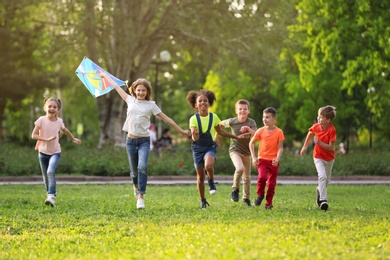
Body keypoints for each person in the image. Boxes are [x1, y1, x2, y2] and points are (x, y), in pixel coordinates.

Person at [99, 72, 190, 209]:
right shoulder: (130, 100)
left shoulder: (151, 105)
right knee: (134, 171)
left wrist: (182, 131)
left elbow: (167, 119)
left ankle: (141, 197)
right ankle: (136, 186)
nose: (141, 92)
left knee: (142, 167)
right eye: (138, 90)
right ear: (134, 90)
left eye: (143, 90)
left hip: (144, 141)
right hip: (130, 141)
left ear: (147, 91)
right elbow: (116, 87)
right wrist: (105, 77)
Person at [186, 89, 245, 209]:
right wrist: (194, 135)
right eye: (200, 101)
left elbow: (220, 131)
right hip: (197, 148)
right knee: (200, 177)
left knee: (208, 165)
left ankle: (211, 181)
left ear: (209, 103)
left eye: (205, 101)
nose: (203, 103)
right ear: (196, 105)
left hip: (210, 146)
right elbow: (194, 136)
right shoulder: (193, 119)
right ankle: (202, 200)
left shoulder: (214, 117)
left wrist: (236, 136)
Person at [31, 98, 82, 207]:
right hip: (42, 153)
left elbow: (65, 130)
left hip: (55, 152)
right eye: (49, 106)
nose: (52, 108)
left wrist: (73, 139)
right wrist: (46, 139)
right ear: (45, 108)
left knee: (50, 172)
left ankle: (51, 196)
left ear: (58, 109)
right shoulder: (41, 120)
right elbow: (33, 135)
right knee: (45, 176)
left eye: (54, 107)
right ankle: (50, 194)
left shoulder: (59, 121)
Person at [218, 99, 257, 207]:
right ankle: (235, 189)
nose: (242, 111)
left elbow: (256, 135)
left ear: (248, 111)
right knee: (240, 168)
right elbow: (219, 124)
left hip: (247, 152)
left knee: (247, 177)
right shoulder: (232, 121)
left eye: (245, 109)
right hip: (235, 150)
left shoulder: (251, 122)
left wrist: (248, 129)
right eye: (240, 109)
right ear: (236, 111)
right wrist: (217, 137)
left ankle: (246, 198)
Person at [300, 105, 337, 211]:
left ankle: (319, 190)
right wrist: (305, 146)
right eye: (318, 116)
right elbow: (310, 132)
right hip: (318, 157)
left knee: (326, 180)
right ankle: (323, 200)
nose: (318, 118)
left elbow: (331, 147)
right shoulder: (316, 126)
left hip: (329, 158)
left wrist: (319, 142)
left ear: (328, 120)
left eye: (321, 117)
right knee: (322, 176)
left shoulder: (332, 130)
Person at [249, 107, 284, 210]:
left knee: (271, 184)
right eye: (263, 117)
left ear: (274, 119)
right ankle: (260, 195)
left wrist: (277, 158)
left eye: (267, 117)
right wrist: (254, 157)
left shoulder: (279, 132)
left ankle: (269, 203)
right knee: (262, 178)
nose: (264, 119)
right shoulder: (260, 131)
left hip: (274, 161)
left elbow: (280, 148)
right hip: (262, 160)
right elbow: (251, 143)